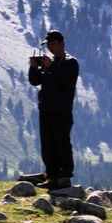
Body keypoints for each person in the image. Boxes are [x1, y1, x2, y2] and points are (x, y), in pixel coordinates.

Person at [22, 30, 79, 190]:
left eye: (53, 44)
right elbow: (35, 81)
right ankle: (52, 175)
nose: (50, 47)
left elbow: (63, 82)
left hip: (62, 110)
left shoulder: (70, 63)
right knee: (47, 144)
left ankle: (65, 176)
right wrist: (34, 67)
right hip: (46, 109)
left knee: (62, 142)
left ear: (61, 43)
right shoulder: (52, 63)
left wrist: (50, 67)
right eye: (48, 45)